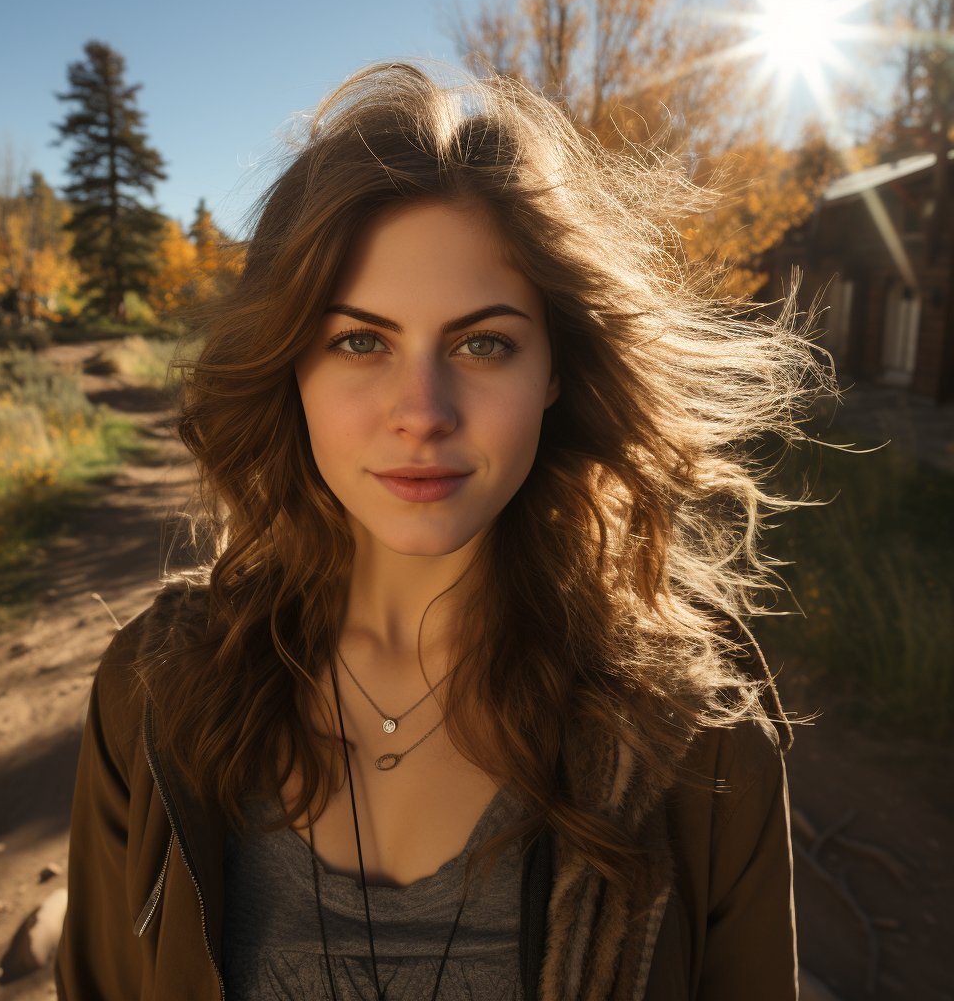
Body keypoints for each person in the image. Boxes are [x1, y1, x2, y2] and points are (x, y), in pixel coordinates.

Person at [56, 61, 824, 1001]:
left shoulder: (696, 737)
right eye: (359, 341)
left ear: (555, 370)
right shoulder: (152, 691)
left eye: (483, 343)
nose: (421, 411)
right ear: (290, 369)